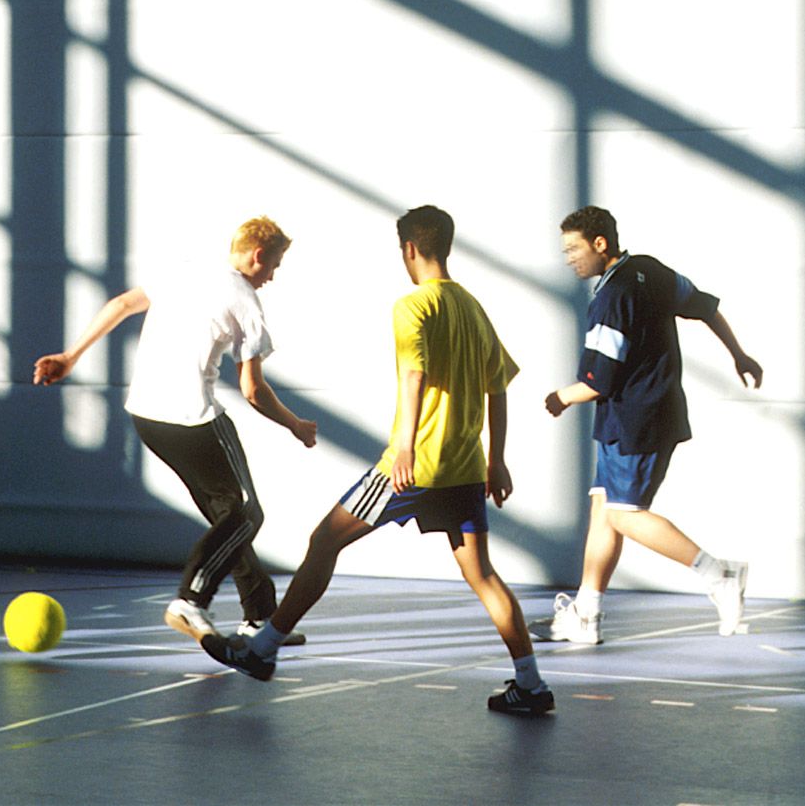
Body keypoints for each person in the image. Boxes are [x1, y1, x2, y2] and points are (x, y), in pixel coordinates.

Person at [201, 206, 553, 716]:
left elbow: (412, 376)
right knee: (483, 575)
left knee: (324, 541)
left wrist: (406, 446)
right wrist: (496, 460)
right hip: (465, 466)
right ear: (446, 246)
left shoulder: (412, 306)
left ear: (409, 248)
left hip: (413, 466)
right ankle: (532, 685)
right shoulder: (474, 309)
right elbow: (498, 388)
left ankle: (261, 650)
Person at [33, 216, 317, 645]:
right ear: (258, 255)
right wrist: (296, 424)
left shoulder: (182, 271)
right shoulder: (244, 298)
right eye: (273, 266)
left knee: (228, 519)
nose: (271, 278)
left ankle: (260, 617)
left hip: (147, 417)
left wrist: (71, 356)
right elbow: (253, 390)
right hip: (192, 419)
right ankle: (191, 600)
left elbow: (121, 305)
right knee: (246, 512)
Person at [536, 206, 762, 643]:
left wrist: (560, 397)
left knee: (624, 515)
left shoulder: (610, 298)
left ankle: (720, 574)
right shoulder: (651, 271)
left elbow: (597, 380)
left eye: (574, 249)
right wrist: (738, 353)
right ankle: (586, 615)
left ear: (600, 244)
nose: (568, 258)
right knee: (604, 508)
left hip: (634, 420)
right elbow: (705, 308)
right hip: (645, 413)